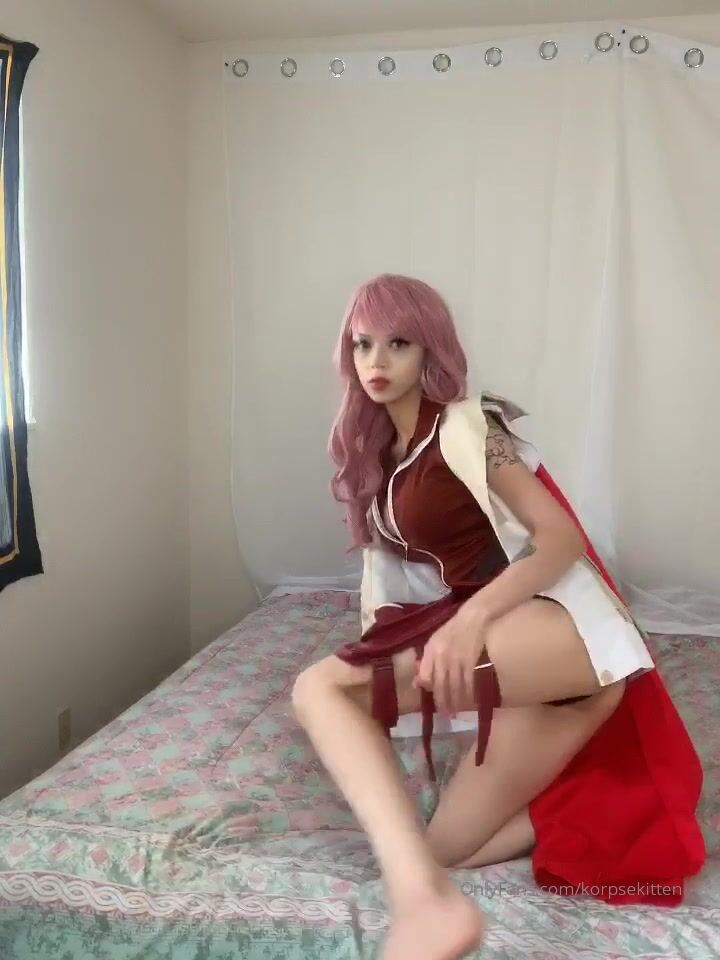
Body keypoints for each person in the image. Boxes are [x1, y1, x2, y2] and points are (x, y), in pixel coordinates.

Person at [291, 273, 705, 960]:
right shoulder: (386, 459)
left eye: (398, 343)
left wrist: (468, 622)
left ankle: (420, 906)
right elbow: (402, 585)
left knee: (319, 689)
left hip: (559, 631)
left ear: (430, 349)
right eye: (362, 344)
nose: (377, 361)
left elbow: (559, 539)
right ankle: (581, 805)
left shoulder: (473, 428)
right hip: (537, 676)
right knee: (440, 850)